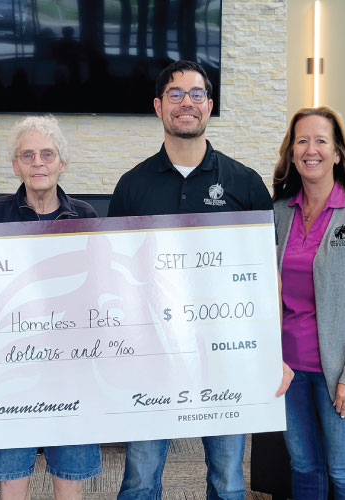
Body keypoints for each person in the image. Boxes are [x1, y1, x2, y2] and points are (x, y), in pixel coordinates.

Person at [107, 59, 272, 500]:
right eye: (176, 95)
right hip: (153, 359)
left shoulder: (245, 184)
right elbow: (116, 276)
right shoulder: (131, 187)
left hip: (225, 359)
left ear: (210, 105)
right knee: (141, 478)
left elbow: (264, 276)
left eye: (196, 94)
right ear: (159, 107)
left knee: (228, 480)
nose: (187, 103)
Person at [0, 115, 101, 500]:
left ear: (63, 162)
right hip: (11, 374)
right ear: (16, 165)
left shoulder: (87, 218)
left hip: (72, 372)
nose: (38, 162)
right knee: (12, 480)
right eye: (27, 155)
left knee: (70, 479)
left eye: (47, 154)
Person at [271, 107, 345, 499]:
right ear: (291, 153)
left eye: (321, 140)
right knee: (304, 468)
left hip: (341, 374)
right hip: (288, 372)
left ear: (337, 153)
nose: (311, 149)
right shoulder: (278, 215)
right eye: (301, 141)